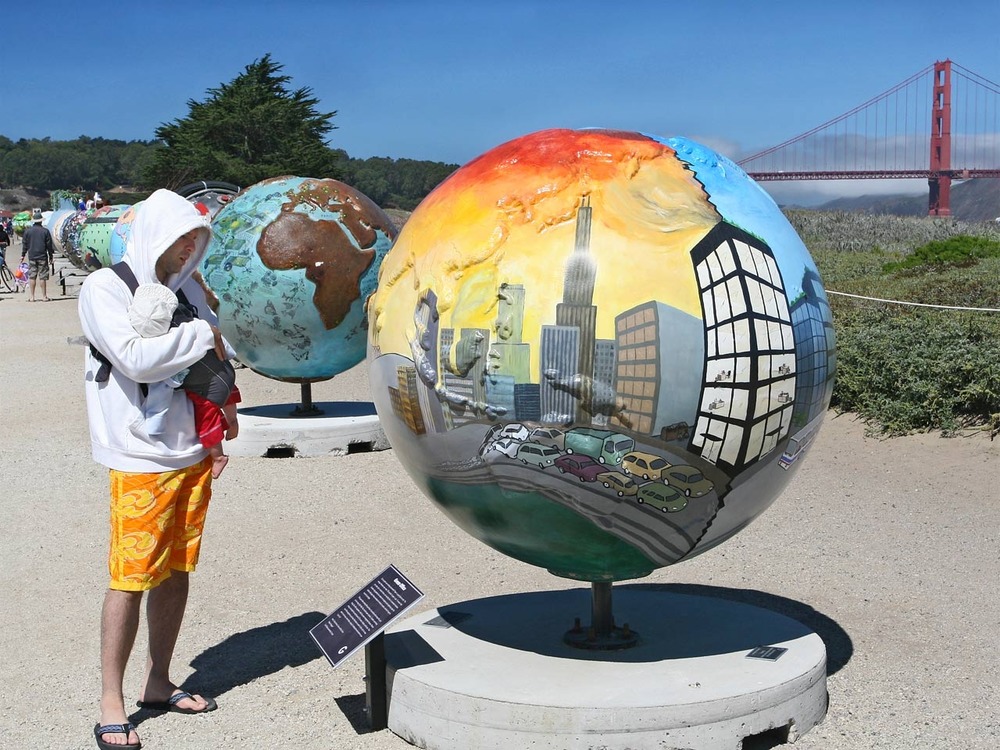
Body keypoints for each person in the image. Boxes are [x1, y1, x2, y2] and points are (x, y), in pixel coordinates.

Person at [79, 189, 237, 750]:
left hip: (190, 452)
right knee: (129, 577)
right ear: (155, 237)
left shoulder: (189, 288)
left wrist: (216, 432)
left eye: (196, 240)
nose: (189, 248)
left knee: (176, 570)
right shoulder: (105, 288)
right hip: (138, 457)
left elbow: (222, 354)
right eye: (180, 239)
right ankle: (110, 701)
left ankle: (158, 681)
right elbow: (135, 358)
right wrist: (202, 335)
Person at [128, 281, 241, 478]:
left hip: (207, 391)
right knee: (228, 393)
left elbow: (166, 385)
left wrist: (155, 423)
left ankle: (218, 456)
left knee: (207, 419)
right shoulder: (192, 324)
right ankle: (232, 420)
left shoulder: (173, 347)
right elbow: (222, 343)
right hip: (226, 372)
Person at [20, 208, 54, 301]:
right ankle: (44, 296)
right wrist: (51, 255)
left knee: (32, 276)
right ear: (41, 221)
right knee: (42, 277)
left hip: (32, 256)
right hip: (42, 256)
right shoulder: (45, 231)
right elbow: (49, 245)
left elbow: (25, 244)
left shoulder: (28, 231)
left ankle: (32, 296)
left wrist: (23, 255)